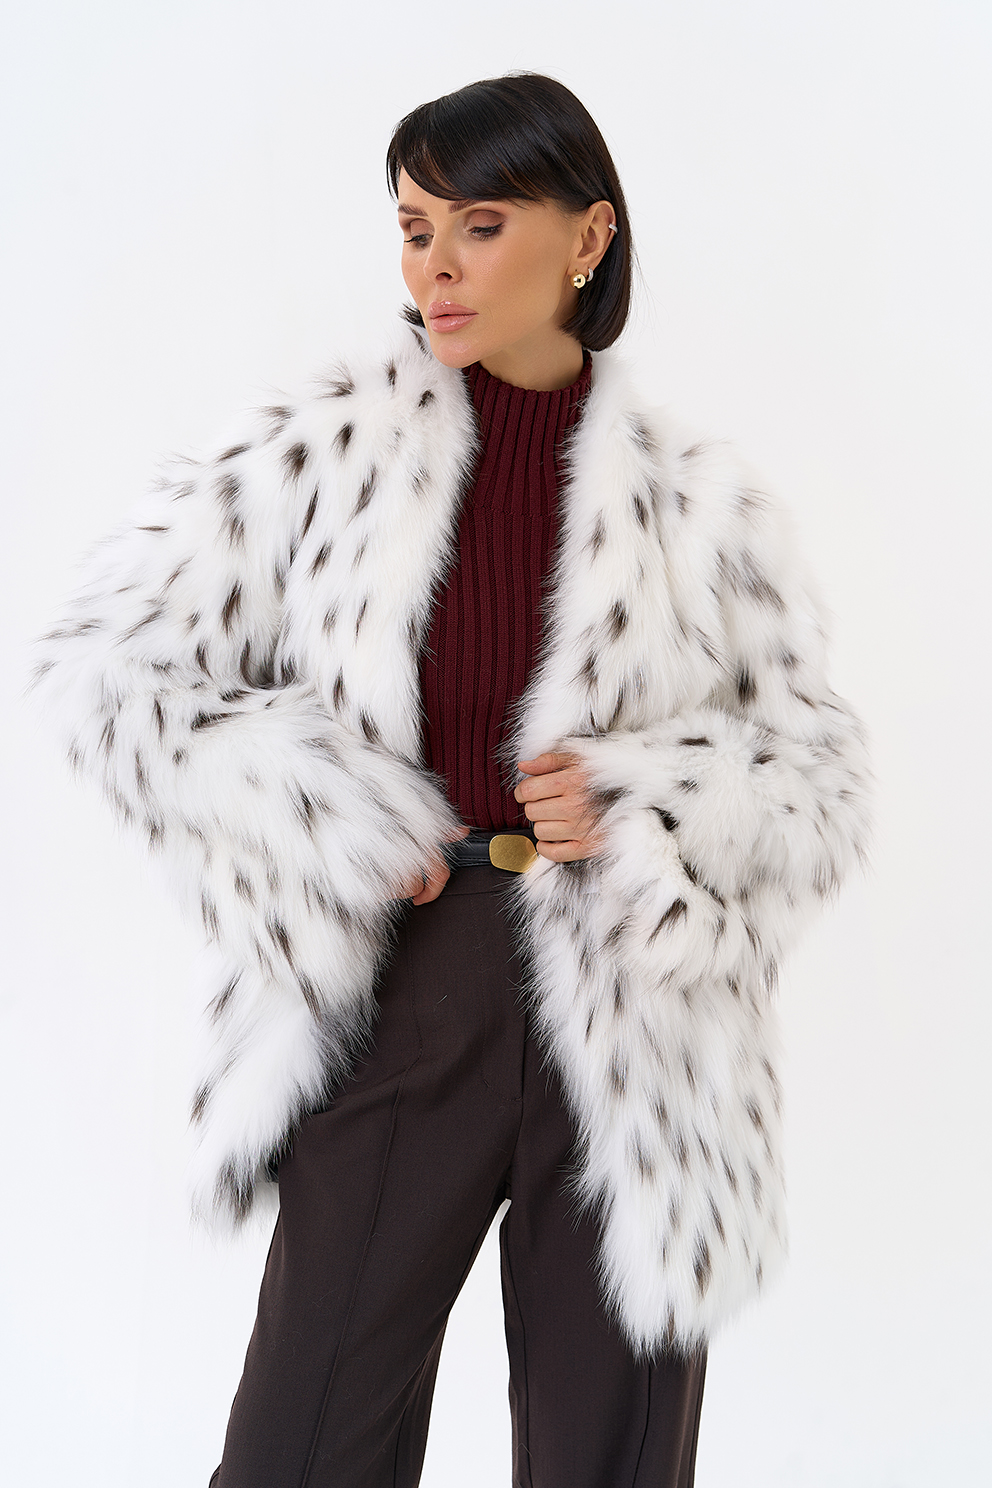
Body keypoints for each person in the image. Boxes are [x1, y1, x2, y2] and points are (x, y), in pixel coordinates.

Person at [29, 72, 871, 1488]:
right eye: (416, 229)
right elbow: (110, 672)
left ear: (588, 237)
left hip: (638, 1027)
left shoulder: (701, 509)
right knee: (307, 1439)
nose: (437, 268)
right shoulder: (318, 459)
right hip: (409, 977)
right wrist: (340, 816)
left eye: (480, 225)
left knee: (614, 1454)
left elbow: (820, 777)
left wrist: (648, 797)